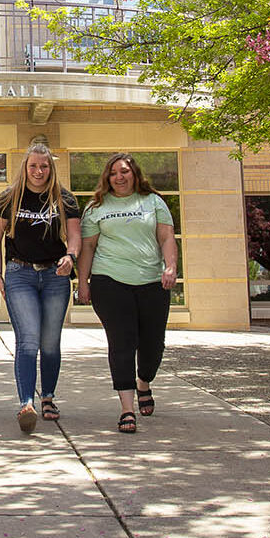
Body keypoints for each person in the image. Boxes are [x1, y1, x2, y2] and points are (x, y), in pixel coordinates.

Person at [75, 152, 178, 434]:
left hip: (151, 282)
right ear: (107, 178)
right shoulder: (96, 207)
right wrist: (83, 282)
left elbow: (166, 237)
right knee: (122, 342)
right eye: (113, 173)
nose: (119, 177)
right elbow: (88, 248)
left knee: (153, 346)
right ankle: (127, 408)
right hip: (110, 281)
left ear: (135, 174)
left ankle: (144, 381)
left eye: (124, 172)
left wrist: (170, 267)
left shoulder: (153, 202)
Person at [0, 143, 82, 434]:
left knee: (50, 342)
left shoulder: (64, 199)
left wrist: (70, 257)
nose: (39, 171)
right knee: (28, 340)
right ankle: (26, 404)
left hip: (55, 275)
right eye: (33, 166)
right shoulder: (8, 197)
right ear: (25, 167)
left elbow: (76, 237)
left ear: (51, 168)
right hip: (20, 274)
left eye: (44, 166)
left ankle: (48, 398)